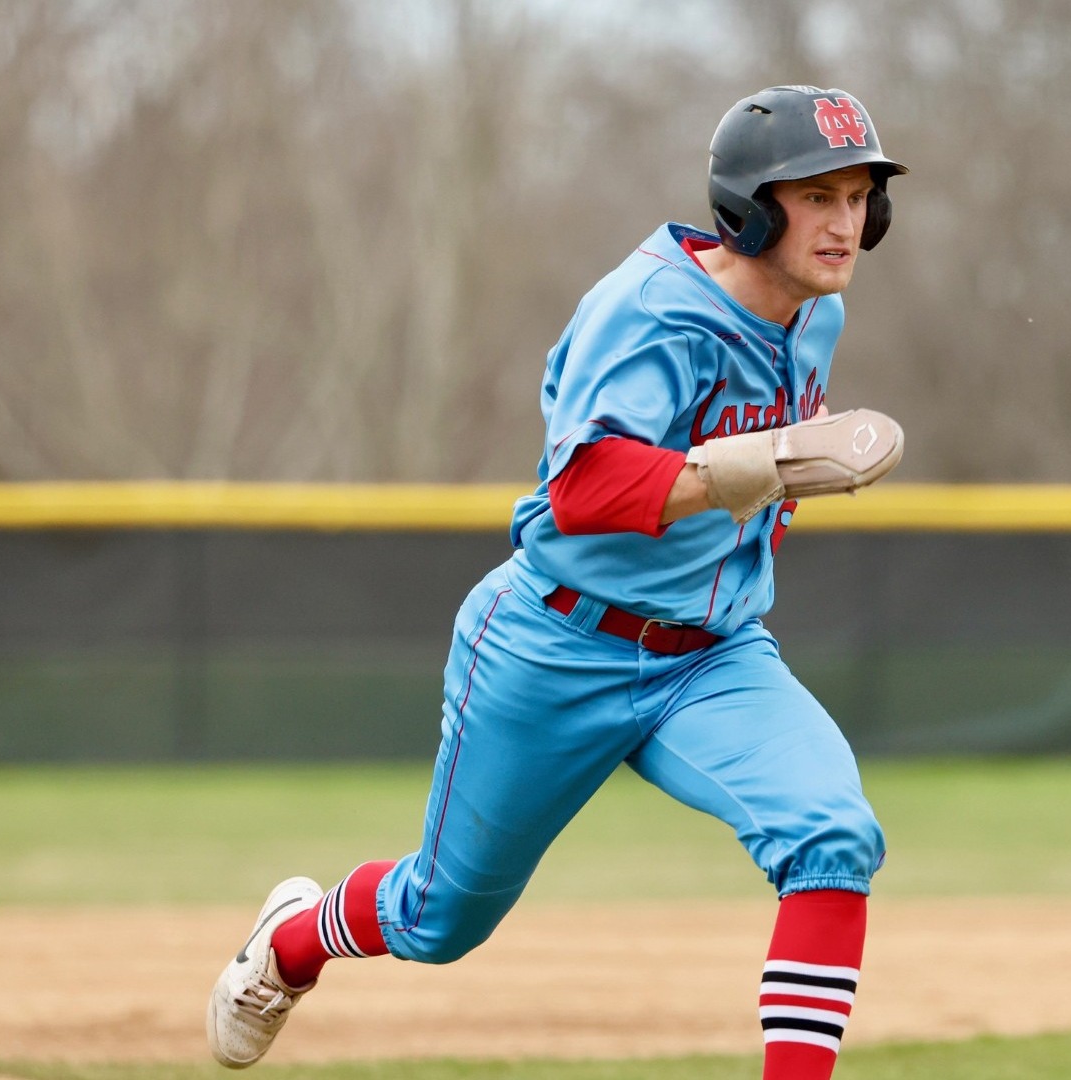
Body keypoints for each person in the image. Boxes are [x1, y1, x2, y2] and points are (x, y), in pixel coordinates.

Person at [207, 86, 908, 1079]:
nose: (844, 223)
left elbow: (750, 498)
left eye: (859, 197)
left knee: (833, 835)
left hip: (712, 659)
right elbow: (582, 491)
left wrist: (769, 486)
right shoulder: (651, 311)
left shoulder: (816, 315)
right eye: (817, 196)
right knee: (439, 917)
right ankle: (289, 944)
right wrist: (763, 463)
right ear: (750, 208)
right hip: (557, 644)